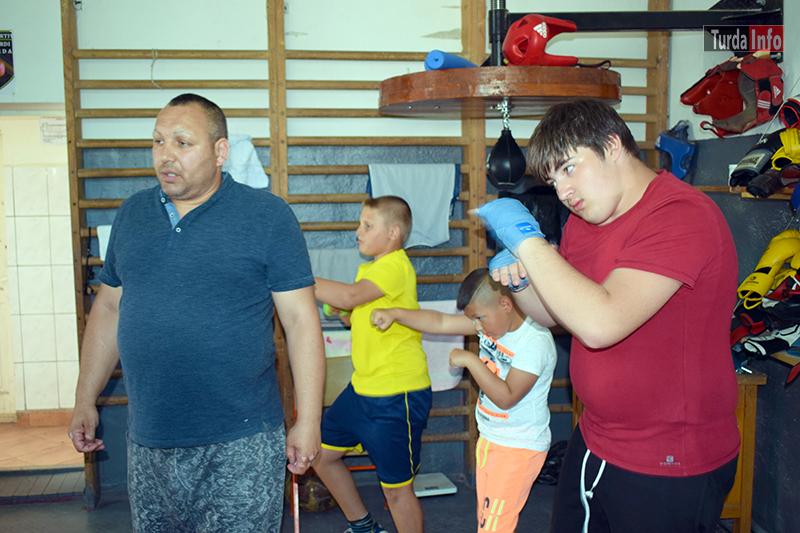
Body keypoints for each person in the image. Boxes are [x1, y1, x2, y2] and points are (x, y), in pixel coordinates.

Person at [476, 98, 740, 533]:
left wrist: (530, 243)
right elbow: (560, 314)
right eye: (552, 179)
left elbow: (600, 324)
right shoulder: (586, 220)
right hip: (596, 437)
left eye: (568, 168)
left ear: (612, 145)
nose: (562, 192)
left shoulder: (680, 216)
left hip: (669, 458)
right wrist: (521, 282)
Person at [67, 93, 325, 533]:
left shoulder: (266, 217)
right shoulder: (132, 215)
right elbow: (109, 307)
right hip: (149, 442)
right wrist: (83, 399)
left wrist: (309, 420)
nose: (166, 155)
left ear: (220, 151)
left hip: (239, 442)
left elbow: (301, 322)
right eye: (158, 141)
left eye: (183, 143)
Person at [371, 268, 557, 533]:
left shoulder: (534, 341)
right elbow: (440, 322)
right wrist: (396, 314)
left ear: (505, 304)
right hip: (491, 438)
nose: (477, 327)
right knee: (487, 520)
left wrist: (470, 360)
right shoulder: (492, 322)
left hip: (519, 447)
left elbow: (506, 397)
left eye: (479, 319)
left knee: (494, 527)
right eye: (473, 320)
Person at [313, 196, 432, 533]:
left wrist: (297, 277)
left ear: (393, 232)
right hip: (362, 389)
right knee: (321, 455)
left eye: (367, 225)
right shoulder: (371, 268)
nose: (358, 231)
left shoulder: (394, 265)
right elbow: (357, 314)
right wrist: (347, 315)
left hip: (397, 393)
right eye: (359, 224)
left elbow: (351, 295)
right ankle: (363, 526)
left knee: (396, 490)